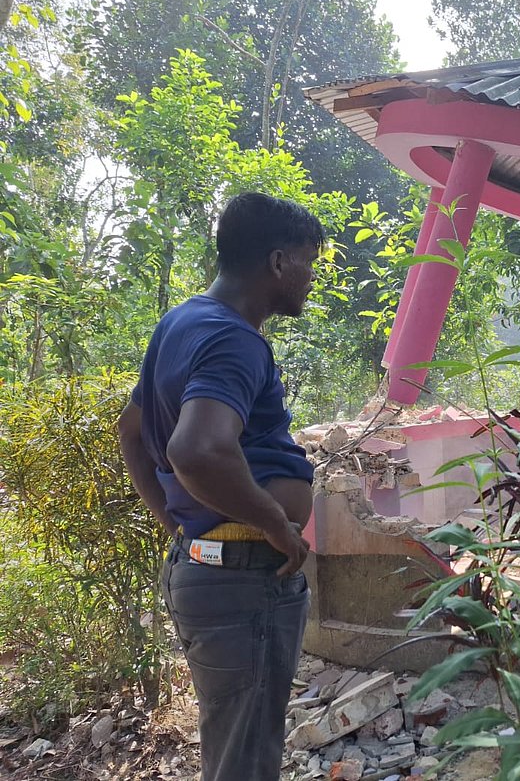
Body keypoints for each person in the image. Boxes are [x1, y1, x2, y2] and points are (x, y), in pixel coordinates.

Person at [118, 192, 324, 780]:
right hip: (242, 583)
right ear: (279, 262)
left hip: (210, 567)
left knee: (235, 750)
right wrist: (274, 525)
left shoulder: (182, 321)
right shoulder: (234, 339)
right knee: (244, 764)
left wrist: (179, 525)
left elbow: (130, 433)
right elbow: (196, 448)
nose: (311, 278)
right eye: (309, 261)